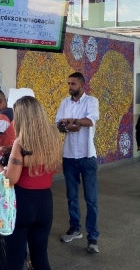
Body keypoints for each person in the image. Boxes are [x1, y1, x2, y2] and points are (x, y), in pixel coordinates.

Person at [0, 96, 61, 270]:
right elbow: (40, 154)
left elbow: (10, 179)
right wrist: (10, 151)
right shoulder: (53, 135)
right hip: (45, 203)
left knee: (15, 261)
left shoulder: (21, 142)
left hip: (22, 204)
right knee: (40, 258)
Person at [55, 72, 100, 254]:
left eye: (73, 83)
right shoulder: (65, 102)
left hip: (87, 156)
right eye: (69, 84)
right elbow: (58, 125)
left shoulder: (91, 101)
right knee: (71, 196)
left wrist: (72, 121)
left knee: (91, 199)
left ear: (82, 84)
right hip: (69, 156)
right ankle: (75, 229)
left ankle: (93, 237)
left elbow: (90, 121)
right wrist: (67, 126)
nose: (70, 87)